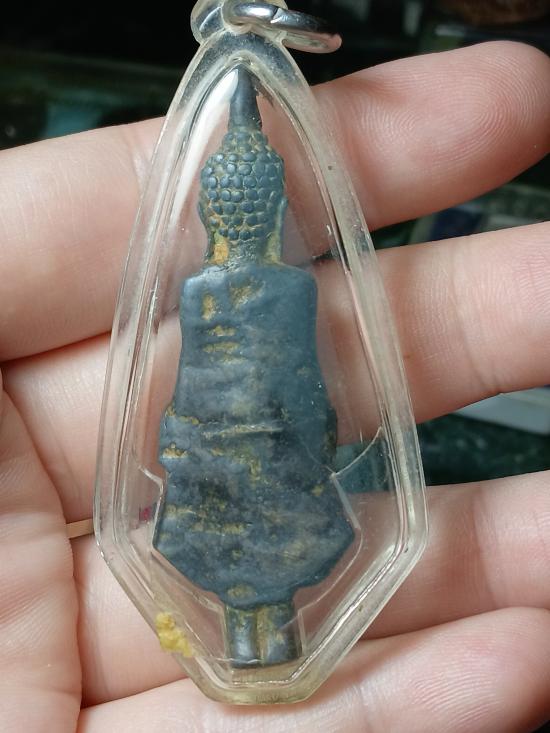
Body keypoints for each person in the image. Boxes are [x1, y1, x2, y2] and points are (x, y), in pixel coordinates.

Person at [0, 40, 549, 732]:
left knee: (257, 546)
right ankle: (256, 640)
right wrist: (223, 432)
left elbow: (284, 373)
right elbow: (216, 374)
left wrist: (210, 431)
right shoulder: (254, 288)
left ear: (226, 215)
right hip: (246, 440)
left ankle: (262, 638)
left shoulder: (232, 288)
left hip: (244, 439)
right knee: (257, 544)